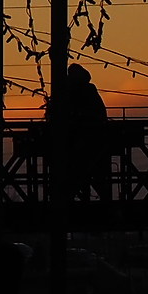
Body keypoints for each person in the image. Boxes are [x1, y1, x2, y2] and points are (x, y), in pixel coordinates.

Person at [49, 62, 112, 200]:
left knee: (74, 173)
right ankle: (103, 200)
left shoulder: (68, 91)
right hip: (92, 138)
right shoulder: (89, 90)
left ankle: (66, 200)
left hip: (79, 138)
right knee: (91, 172)